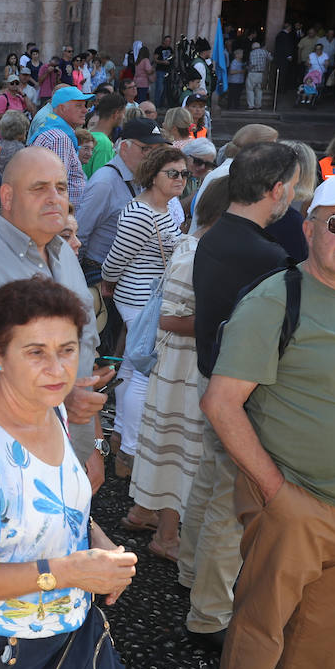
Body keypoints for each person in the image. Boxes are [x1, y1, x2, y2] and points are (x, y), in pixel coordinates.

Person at [202, 174, 335, 669]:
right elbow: (221, 403)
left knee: (326, 643)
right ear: (310, 229)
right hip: (298, 503)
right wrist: (278, 494)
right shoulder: (277, 298)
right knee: (260, 634)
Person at [0, 278, 134, 669]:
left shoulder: (50, 407)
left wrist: (93, 538)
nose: (57, 369)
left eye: (67, 350)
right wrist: (72, 570)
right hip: (0, 649)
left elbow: (42, 500)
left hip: (71, 635)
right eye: (36, 352)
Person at [0, 148, 114, 486]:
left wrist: (93, 447)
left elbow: (84, 364)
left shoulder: (65, 255)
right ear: (8, 196)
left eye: (60, 187)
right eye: (39, 188)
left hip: (67, 458)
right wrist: (51, 400)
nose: (54, 198)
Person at [181, 141, 298, 653]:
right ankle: (208, 615)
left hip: (213, 377)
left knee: (208, 487)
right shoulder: (269, 255)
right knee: (230, 509)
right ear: (275, 190)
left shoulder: (215, 235)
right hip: (240, 394)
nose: (292, 199)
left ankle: (189, 575)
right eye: (291, 189)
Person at [129, 176, 230, 564]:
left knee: (168, 445)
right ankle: (167, 535)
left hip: (180, 364)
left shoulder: (192, 247)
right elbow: (170, 319)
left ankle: (146, 513)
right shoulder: (194, 253)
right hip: (182, 367)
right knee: (178, 451)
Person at [99, 145, 186, 482]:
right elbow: (115, 259)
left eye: (183, 173)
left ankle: (122, 439)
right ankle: (130, 451)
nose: (180, 179)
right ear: (153, 175)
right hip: (139, 300)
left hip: (146, 299)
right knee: (142, 374)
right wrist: (108, 282)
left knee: (134, 370)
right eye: (172, 173)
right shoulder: (141, 214)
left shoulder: (162, 208)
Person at [75, 117, 165, 284]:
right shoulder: (104, 183)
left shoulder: (140, 177)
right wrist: (78, 283)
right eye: (146, 149)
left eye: (157, 150)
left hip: (125, 274)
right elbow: (79, 235)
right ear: (124, 148)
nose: (153, 156)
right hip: (100, 275)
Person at [28, 86, 92, 210]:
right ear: (62, 108)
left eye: (85, 105)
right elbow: (56, 189)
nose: (85, 110)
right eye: (79, 106)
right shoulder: (59, 138)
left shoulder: (54, 133)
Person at [83, 92, 124, 177]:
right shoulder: (103, 143)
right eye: (123, 113)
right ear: (116, 114)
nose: (124, 117)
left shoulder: (87, 134)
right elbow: (101, 179)